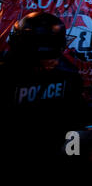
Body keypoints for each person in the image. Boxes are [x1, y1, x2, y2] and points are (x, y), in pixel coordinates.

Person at [0, 12, 86, 164]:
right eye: (45, 57)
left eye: (54, 55)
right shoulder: (7, 75)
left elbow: (75, 120)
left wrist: (73, 155)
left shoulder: (69, 74)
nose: (52, 62)